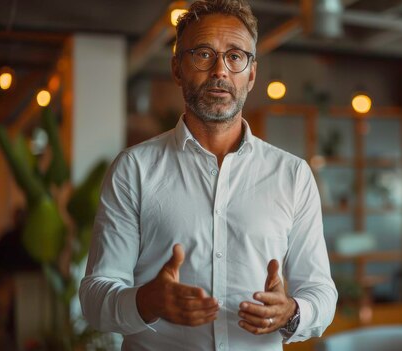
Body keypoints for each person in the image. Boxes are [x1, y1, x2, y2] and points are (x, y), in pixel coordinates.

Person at [78, 0, 337, 349]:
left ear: (252, 73)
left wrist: (291, 311)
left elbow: (321, 292)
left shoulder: (292, 175)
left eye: (235, 56)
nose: (220, 70)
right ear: (177, 69)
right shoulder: (134, 169)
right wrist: (147, 301)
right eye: (203, 54)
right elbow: (95, 296)